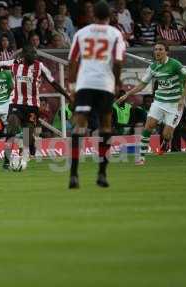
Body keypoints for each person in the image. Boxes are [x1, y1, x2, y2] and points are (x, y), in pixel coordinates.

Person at [0, 43, 69, 169]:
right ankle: (7, 159)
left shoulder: (40, 66)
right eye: (32, 54)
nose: (34, 56)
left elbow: (54, 83)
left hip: (32, 106)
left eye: (35, 54)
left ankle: (30, 147)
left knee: (27, 134)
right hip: (16, 103)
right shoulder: (15, 63)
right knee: (11, 125)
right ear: (25, 55)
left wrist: (68, 96)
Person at [67, 0, 126, 189]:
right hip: (105, 84)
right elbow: (117, 62)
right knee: (106, 126)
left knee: (79, 127)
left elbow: (72, 60)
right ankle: (102, 174)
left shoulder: (81, 33)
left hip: (85, 84)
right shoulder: (115, 33)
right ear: (109, 16)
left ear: (93, 15)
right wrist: (117, 82)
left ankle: (74, 175)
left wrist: (72, 84)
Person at [118, 42, 186, 163]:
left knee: (167, 134)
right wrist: (127, 94)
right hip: (159, 101)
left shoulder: (175, 65)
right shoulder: (153, 67)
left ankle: (166, 142)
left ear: (166, 52)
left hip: (174, 104)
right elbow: (142, 85)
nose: (157, 51)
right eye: (156, 49)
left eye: (160, 49)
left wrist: (182, 98)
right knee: (148, 126)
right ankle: (141, 157)